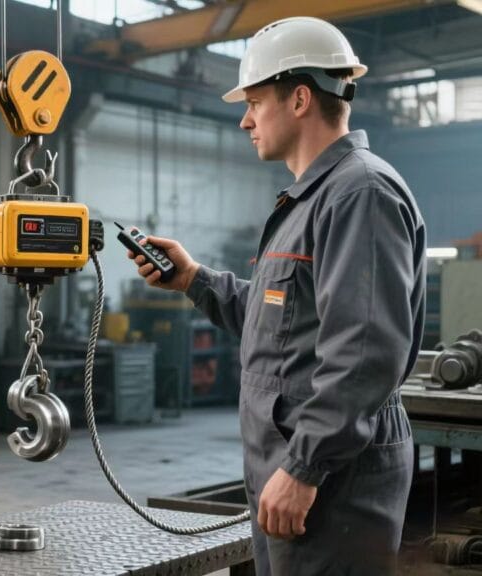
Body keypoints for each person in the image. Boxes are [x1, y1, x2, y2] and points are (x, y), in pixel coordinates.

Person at [128, 17, 425, 575]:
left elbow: (364, 352)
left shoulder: (359, 193)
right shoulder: (310, 200)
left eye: (255, 103)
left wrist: (305, 468)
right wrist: (193, 278)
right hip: (293, 468)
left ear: (300, 99)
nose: (245, 120)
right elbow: (281, 325)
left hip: (335, 480)